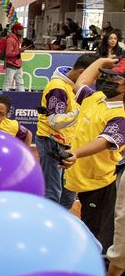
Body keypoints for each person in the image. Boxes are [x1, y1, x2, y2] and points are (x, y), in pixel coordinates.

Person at [60, 58, 125, 250]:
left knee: (97, 236)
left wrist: (76, 153)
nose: (106, 79)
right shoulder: (96, 98)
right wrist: (102, 61)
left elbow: (105, 141)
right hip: (83, 181)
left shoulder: (120, 115)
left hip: (101, 186)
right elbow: (79, 84)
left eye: (114, 78)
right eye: (105, 75)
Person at [36, 54, 94, 207]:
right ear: (82, 72)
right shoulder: (58, 87)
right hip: (52, 141)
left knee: (70, 191)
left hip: (68, 143)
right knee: (53, 193)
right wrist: (83, 112)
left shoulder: (74, 85)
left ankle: (61, 222)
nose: (93, 82)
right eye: (93, 77)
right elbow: (54, 121)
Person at [0, 23, 26, 91]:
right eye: (20, 29)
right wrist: (19, 51)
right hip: (12, 64)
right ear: (15, 30)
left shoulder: (16, 39)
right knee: (9, 83)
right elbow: (9, 53)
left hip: (16, 64)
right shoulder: (11, 40)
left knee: (18, 83)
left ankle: (22, 97)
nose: (22, 31)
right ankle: (4, 99)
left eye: (22, 29)